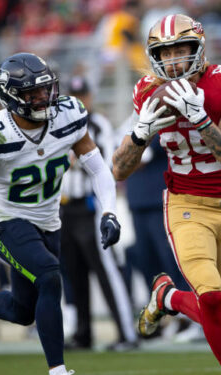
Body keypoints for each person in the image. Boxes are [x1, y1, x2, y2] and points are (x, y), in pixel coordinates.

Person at [0, 53, 121, 375]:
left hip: (48, 222)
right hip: (7, 221)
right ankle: (58, 371)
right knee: (50, 276)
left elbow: (98, 169)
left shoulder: (68, 115)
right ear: (11, 97)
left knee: (23, 311)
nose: (43, 98)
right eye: (32, 93)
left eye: (45, 89)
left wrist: (109, 212)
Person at [112, 14, 221, 375]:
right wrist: (139, 135)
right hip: (186, 204)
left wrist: (202, 120)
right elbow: (119, 170)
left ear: (199, 48)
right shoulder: (146, 91)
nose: (173, 60)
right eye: (165, 52)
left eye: (181, 50)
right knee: (210, 297)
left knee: (219, 311)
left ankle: (168, 297)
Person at [59, 76, 136, 351]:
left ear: (90, 96)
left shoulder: (97, 124)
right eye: (74, 94)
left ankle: (127, 333)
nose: (79, 100)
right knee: (74, 273)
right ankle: (83, 334)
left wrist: (74, 160)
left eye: (83, 95)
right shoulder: (58, 122)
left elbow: (103, 162)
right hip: (64, 208)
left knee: (106, 271)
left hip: (89, 206)